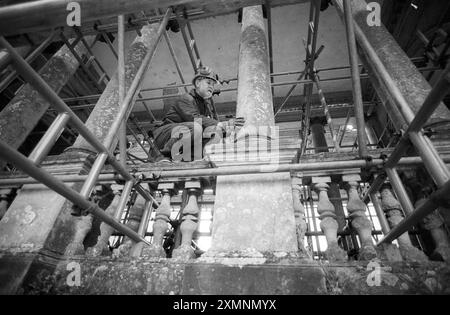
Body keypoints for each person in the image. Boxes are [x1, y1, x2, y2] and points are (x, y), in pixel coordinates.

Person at [150, 66, 244, 161]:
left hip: (180, 135)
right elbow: (195, 118)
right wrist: (221, 124)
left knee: (214, 134)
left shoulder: (203, 104)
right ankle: (163, 156)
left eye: (213, 84)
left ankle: (188, 159)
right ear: (198, 83)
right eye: (208, 83)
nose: (211, 86)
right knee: (195, 127)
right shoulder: (185, 99)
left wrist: (227, 130)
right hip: (164, 137)